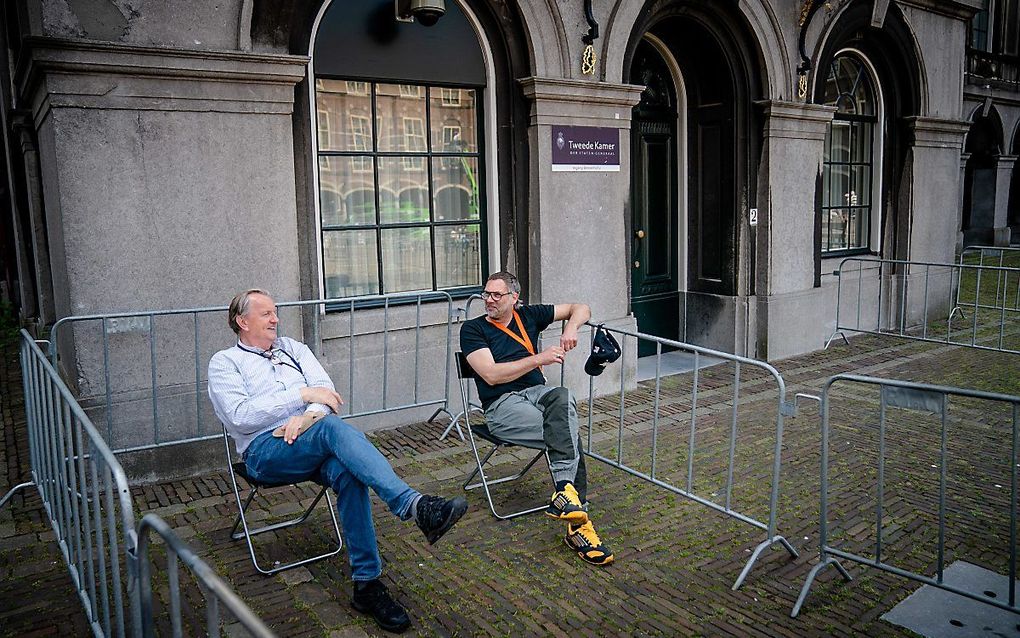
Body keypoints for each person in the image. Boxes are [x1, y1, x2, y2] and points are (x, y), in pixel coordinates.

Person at [208, 289, 468, 634]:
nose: (276, 319)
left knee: (348, 472)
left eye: (276, 312)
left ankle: (367, 586)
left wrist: (306, 416)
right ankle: (414, 507)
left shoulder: (294, 349)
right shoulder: (225, 363)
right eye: (267, 314)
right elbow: (240, 417)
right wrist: (301, 396)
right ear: (242, 322)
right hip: (264, 452)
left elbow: (327, 393)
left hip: (311, 437)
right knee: (332, 429)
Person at [459, 271, 614, 566]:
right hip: (501, 406)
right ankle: (579, 527)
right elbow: (491, 375)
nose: (488, 300)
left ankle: (565, 495)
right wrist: (540, 359)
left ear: (514, 298)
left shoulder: (528, 315)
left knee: (562, 397)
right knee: (567, 433)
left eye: (496, 295)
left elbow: (580, 307)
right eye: (486, 294)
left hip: (537, 394)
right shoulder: (473, 329)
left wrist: (572, 328)